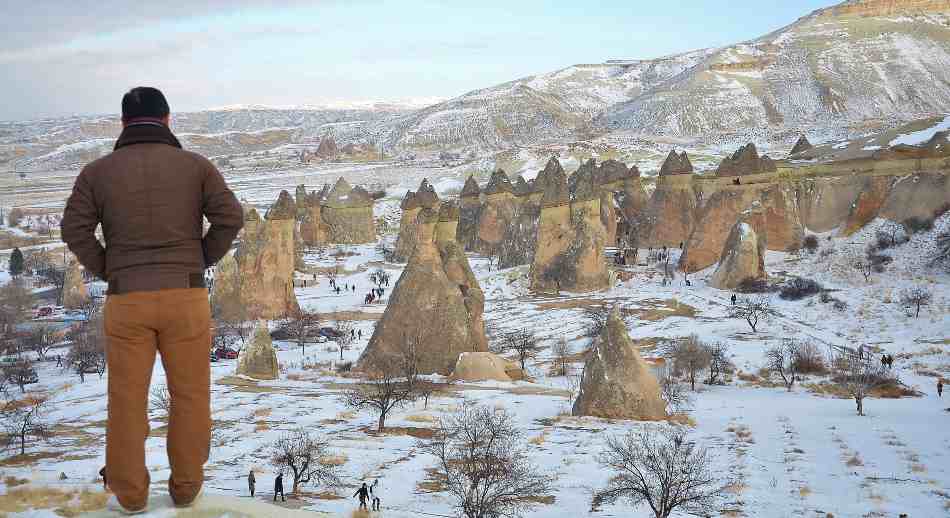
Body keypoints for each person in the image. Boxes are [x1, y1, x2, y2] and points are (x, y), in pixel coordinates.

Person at [62, 87, 243, 513]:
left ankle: (130, 495)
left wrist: (110, 268)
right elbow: (229, 217)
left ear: (124, 123)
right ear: (167, 120)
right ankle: (185, 489)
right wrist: (199, 259)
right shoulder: (195, 166)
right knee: (191, 395)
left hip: (128, 301)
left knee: (125, 400)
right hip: (186, 297)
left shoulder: (97, 172)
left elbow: (74, 229)